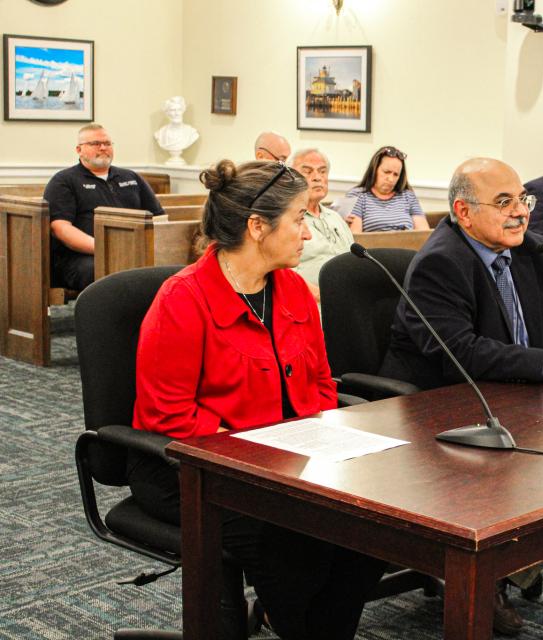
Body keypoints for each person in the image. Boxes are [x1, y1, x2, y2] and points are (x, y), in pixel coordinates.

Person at [379, 157, 543, 635]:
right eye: (504, 203)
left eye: (523, 199)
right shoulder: (441, 263)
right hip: (440, 410)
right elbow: (464, 352)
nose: (520, 212)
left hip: (515, 402)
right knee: (531, 465)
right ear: (463, 211)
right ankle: (487, 579)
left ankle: (511, 566)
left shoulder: (533, 251)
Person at [130, 159, 385, 639]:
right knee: (292, 542)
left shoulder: (294, 290)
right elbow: (169, 414)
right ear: (257, 226)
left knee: (368, 530)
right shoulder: (183, 299)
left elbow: (323, 382)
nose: (308, 234)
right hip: (189, 469)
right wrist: (260, 454)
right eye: (298, 219)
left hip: (285, 462)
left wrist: (318, 440)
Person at [44, 123, 164, 291]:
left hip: (134, 251)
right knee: (112, 274)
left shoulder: (131, 177)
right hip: (81, 257)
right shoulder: (64, 181)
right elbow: (60, 228)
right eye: (95, 144)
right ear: (79, 150)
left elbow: (158, 218)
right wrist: (104, 248)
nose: (103, 148)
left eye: (107, 143)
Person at [290, 147, 354, 302]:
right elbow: (279, 272)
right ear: (290, 177)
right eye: (308, 171)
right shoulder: (287, 219)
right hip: (308, 303)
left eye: (322, 171)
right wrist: (320, 295)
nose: (317, 177)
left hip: (347, 301)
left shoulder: (335, 217)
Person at [343, 146, 429, 233]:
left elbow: (423, 234)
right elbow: (355, 237)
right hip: (372, 246)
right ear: (374, 169)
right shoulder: (357, 195)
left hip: (406, 245)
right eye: (386, 172)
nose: (391, 179)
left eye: (396, 174)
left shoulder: (408, 196)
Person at [153, 95, 199, 160]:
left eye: (179, 110)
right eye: (172, 110)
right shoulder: (160, 134)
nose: (176, 113)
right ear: (167, 113)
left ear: (183, 111)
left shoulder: (191, 132)